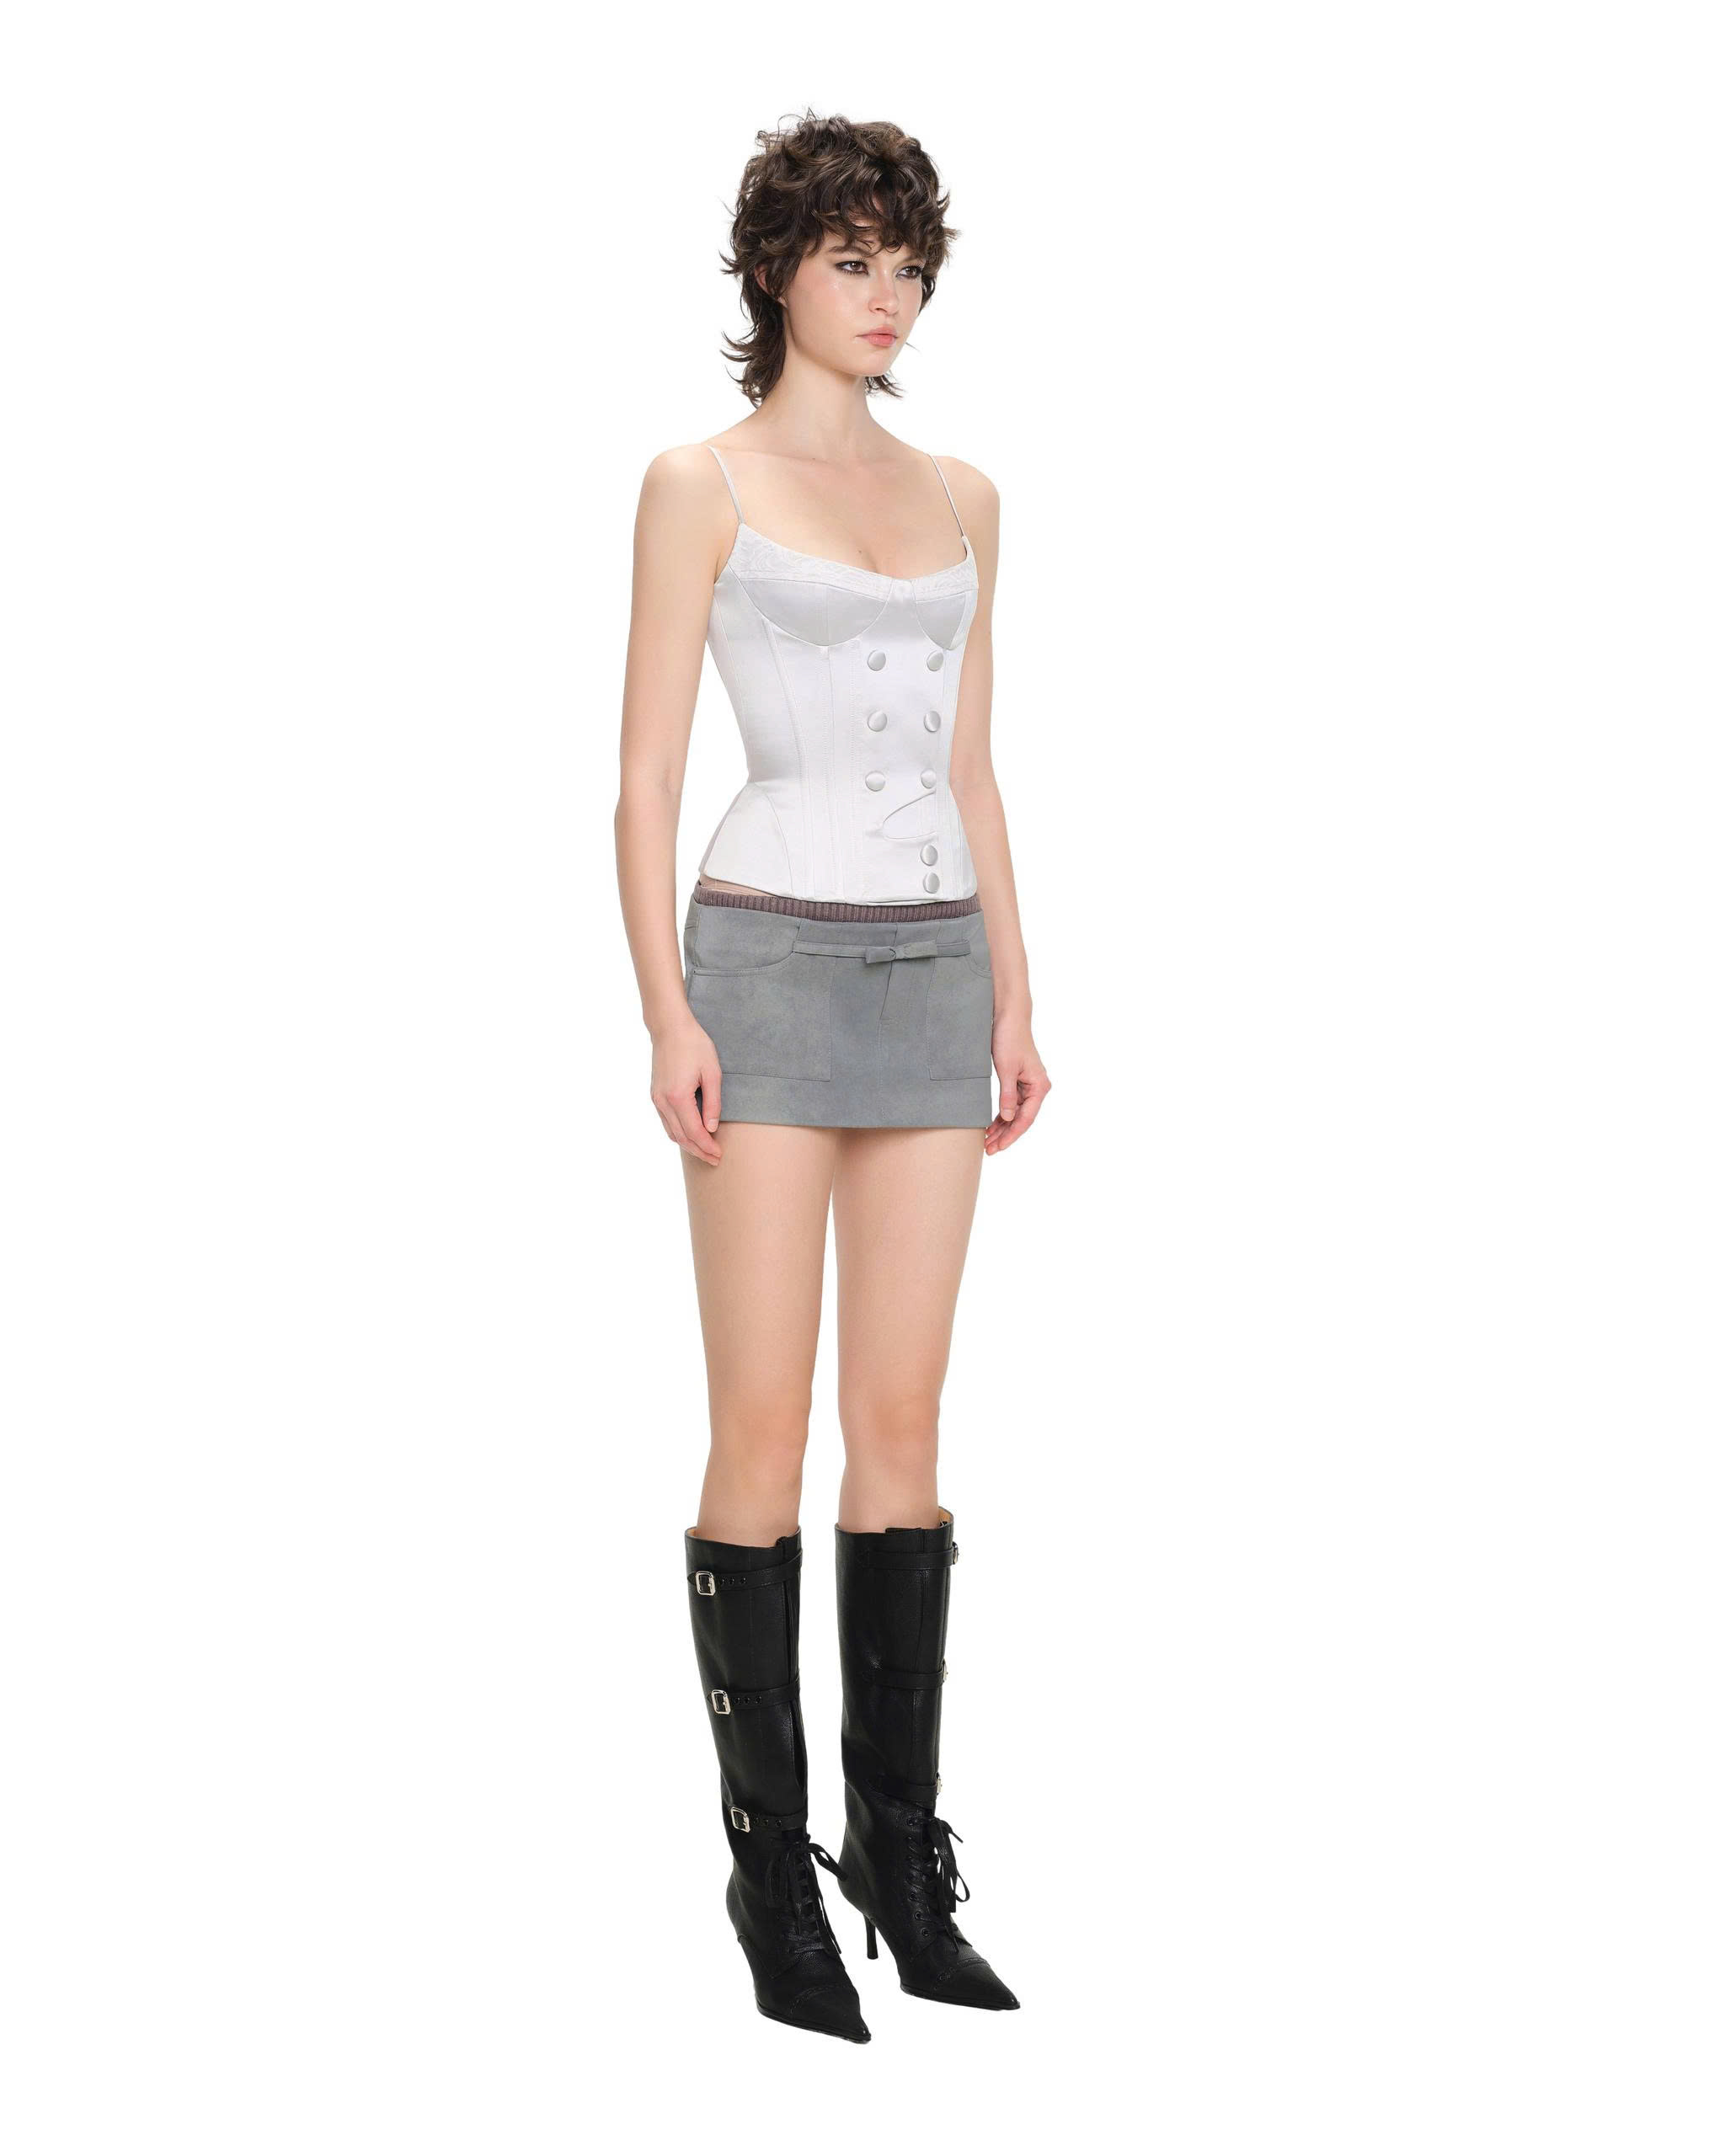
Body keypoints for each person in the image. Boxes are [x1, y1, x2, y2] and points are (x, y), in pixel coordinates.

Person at [614, 110, 1051, 2042]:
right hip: (766, 959)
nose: (885, 294)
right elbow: (639, 777)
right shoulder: (695, 481)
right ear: (775, 269)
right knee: (761, 1427)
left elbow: (971, 770)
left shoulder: (964, 494)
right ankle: (769, 1874)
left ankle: (895, 1851)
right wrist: (668, 1011)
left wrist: (1014, 997)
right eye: (851, 257)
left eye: (906, 263)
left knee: (902, 1423)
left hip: (932, 968)